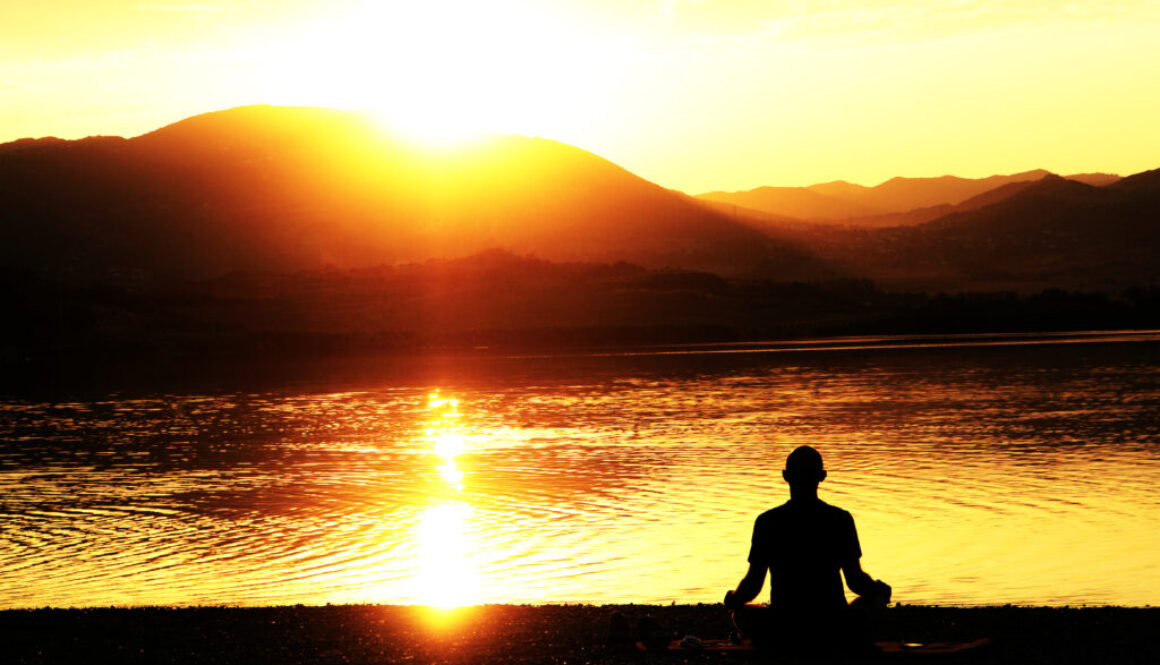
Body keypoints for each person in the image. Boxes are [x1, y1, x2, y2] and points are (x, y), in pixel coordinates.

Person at [724, 445, 891, 657]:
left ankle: (784, 641)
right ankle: (843, 641)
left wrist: (734, 598)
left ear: (786, 476)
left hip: (784, 624)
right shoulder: (840, 519)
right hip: (833, 624)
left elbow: (753, 584)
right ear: (822, 476)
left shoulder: (768, 522)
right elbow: (855, 580)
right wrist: (879, 590)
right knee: (874, 604)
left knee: (741, 614)